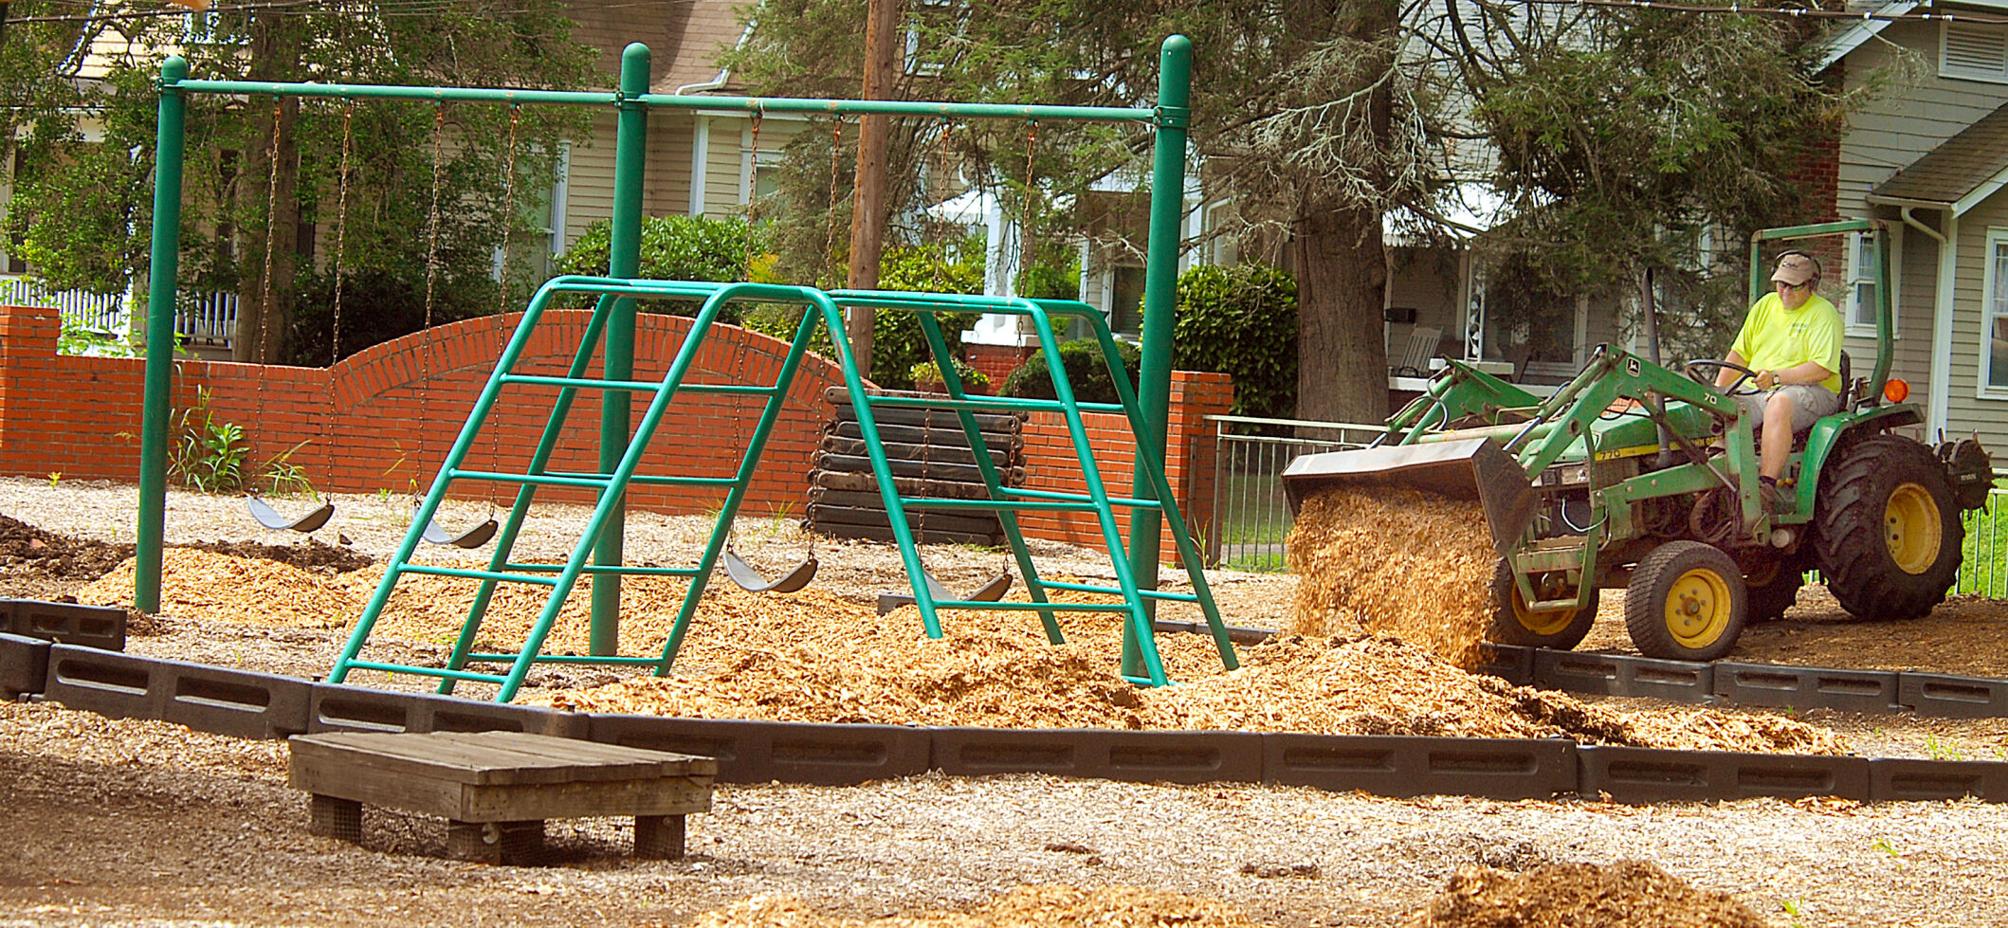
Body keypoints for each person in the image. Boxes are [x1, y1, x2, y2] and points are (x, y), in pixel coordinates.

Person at [1716, 251, 1843, 494]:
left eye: (1793, 287)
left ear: (1811, 285)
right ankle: (1715, 471)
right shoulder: (1765, 305)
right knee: (1713, 404)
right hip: (1757, 390)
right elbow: (1739, 353)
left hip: (1812, 391)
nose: (1784, 291)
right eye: (1781, 284)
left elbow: (1821, 369)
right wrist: (1715, 393)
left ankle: (1765, 487)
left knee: (1779, 403)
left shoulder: (1824, 314)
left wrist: (1776, 377)